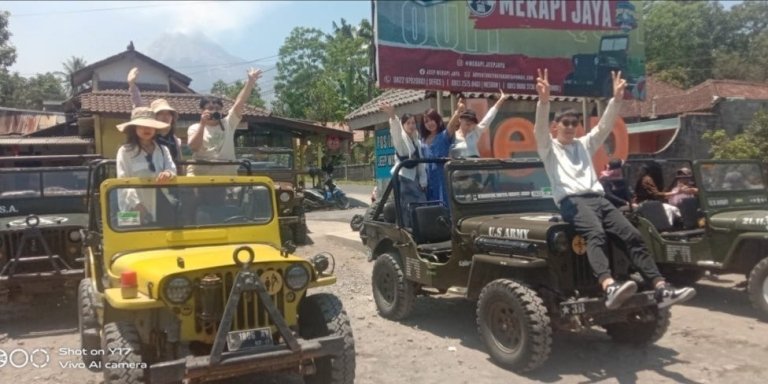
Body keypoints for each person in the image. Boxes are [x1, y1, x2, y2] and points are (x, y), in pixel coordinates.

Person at [533, 68, 695, 309]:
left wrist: (616, 98)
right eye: (564, 123)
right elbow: (538, 131)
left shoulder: (584, 144)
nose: (569, 127)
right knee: (595, 234)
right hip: (573, 202)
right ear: (555, 126)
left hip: (598, 200)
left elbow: (604, 127)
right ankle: (608, 286)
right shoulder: (548, 149)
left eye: (574, 123)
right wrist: (544, 101)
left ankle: (661, 288)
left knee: (633, 236)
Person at [187, 68, 262, 176]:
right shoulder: (195, 127)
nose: (214, 111)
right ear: (202, 110)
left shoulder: (228, 123)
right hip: (201, 177)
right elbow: (194, 147)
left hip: (226, 178)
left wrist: (250, 82)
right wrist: (202, 124)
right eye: (210, 108)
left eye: (217, 108)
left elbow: (239, 103)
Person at [116, 107, 177, 224]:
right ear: (134, 129)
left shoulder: (163, 150)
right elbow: (123, 181)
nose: (146, 129)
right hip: (132, 207)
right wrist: (137, 204)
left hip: (162, 202)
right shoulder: (125, 151)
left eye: (150, 125)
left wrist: (168, 174)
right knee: (132, 239)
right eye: (141, 125)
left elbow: (171, 169)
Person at [381, 103, 427, 228]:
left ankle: (420, 229)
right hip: (403, 178)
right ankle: (407, 231)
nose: (411, 125)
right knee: (406, 207)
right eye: (408, 123)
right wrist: (392, 115)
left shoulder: (417, 141)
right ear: (403, 125)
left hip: (414, 179)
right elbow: (395, 131)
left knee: (422, 203)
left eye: (413, 123)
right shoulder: (400, 140)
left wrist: (423, 180)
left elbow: (420, 162)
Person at [127, 67, 183, 167]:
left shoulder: (174, 139)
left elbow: (178, 162)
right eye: (160, 113)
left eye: (168, 113)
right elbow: (139, 105)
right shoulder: (149, 135)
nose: (165, 117)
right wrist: (132, 85)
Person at [451, 90, 511, 158]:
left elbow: (488, 118)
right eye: (467, 120)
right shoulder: (452, 136)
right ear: (460, 119)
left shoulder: (475, 132)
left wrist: (501, 100)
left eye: (472, 121)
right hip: (458, 166)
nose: (469, 122)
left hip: (474, 165)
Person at [419, 107, 456, 207]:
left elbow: (451, 125)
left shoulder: (443, 136)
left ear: (437, 120)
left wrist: (458, 111)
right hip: (427, 178)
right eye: (426, 121)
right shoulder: (422, 140)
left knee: (444, 203)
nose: (430, 123)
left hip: (442, 177)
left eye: (432, 120)